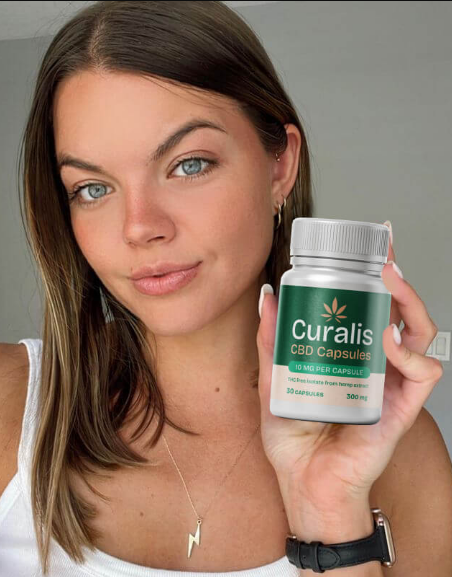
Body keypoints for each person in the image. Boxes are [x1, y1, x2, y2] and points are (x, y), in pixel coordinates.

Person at [0, 1, 451, 576]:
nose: (139, 227)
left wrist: (330, 510)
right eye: (93, 188)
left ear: (280, 166)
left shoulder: (402, 457)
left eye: (188, 165)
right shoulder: (10, 403)